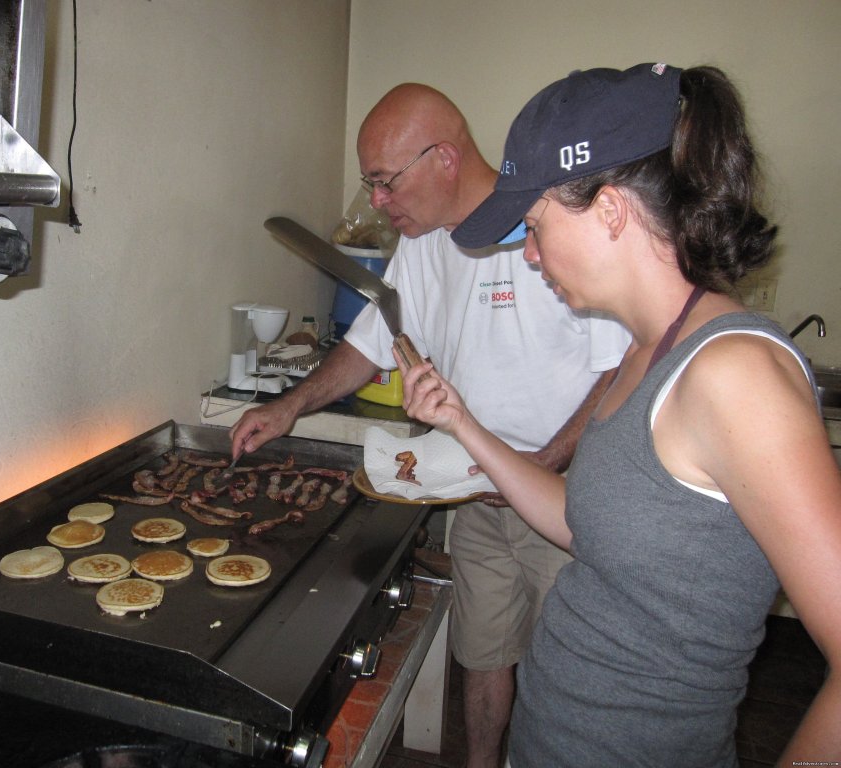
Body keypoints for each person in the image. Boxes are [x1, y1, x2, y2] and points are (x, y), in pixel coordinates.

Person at [396, 63, 841, 766]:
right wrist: (463, 425)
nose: (532, 254)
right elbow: (584, 522)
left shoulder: (735, 375)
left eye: (536, 225)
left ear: (610, 210)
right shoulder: (648, 351)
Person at [230, 83, 630, 767]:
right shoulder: (422, 244)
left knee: (574, 680)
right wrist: (289, 404)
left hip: (568, 497)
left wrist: (547, 462)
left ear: (443, 158)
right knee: (484, 656)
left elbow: (617, 369)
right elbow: (370, 344)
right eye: (371, 185)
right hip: (471, 492)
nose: (378, 204)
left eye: (385, 183)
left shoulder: (547, 224)